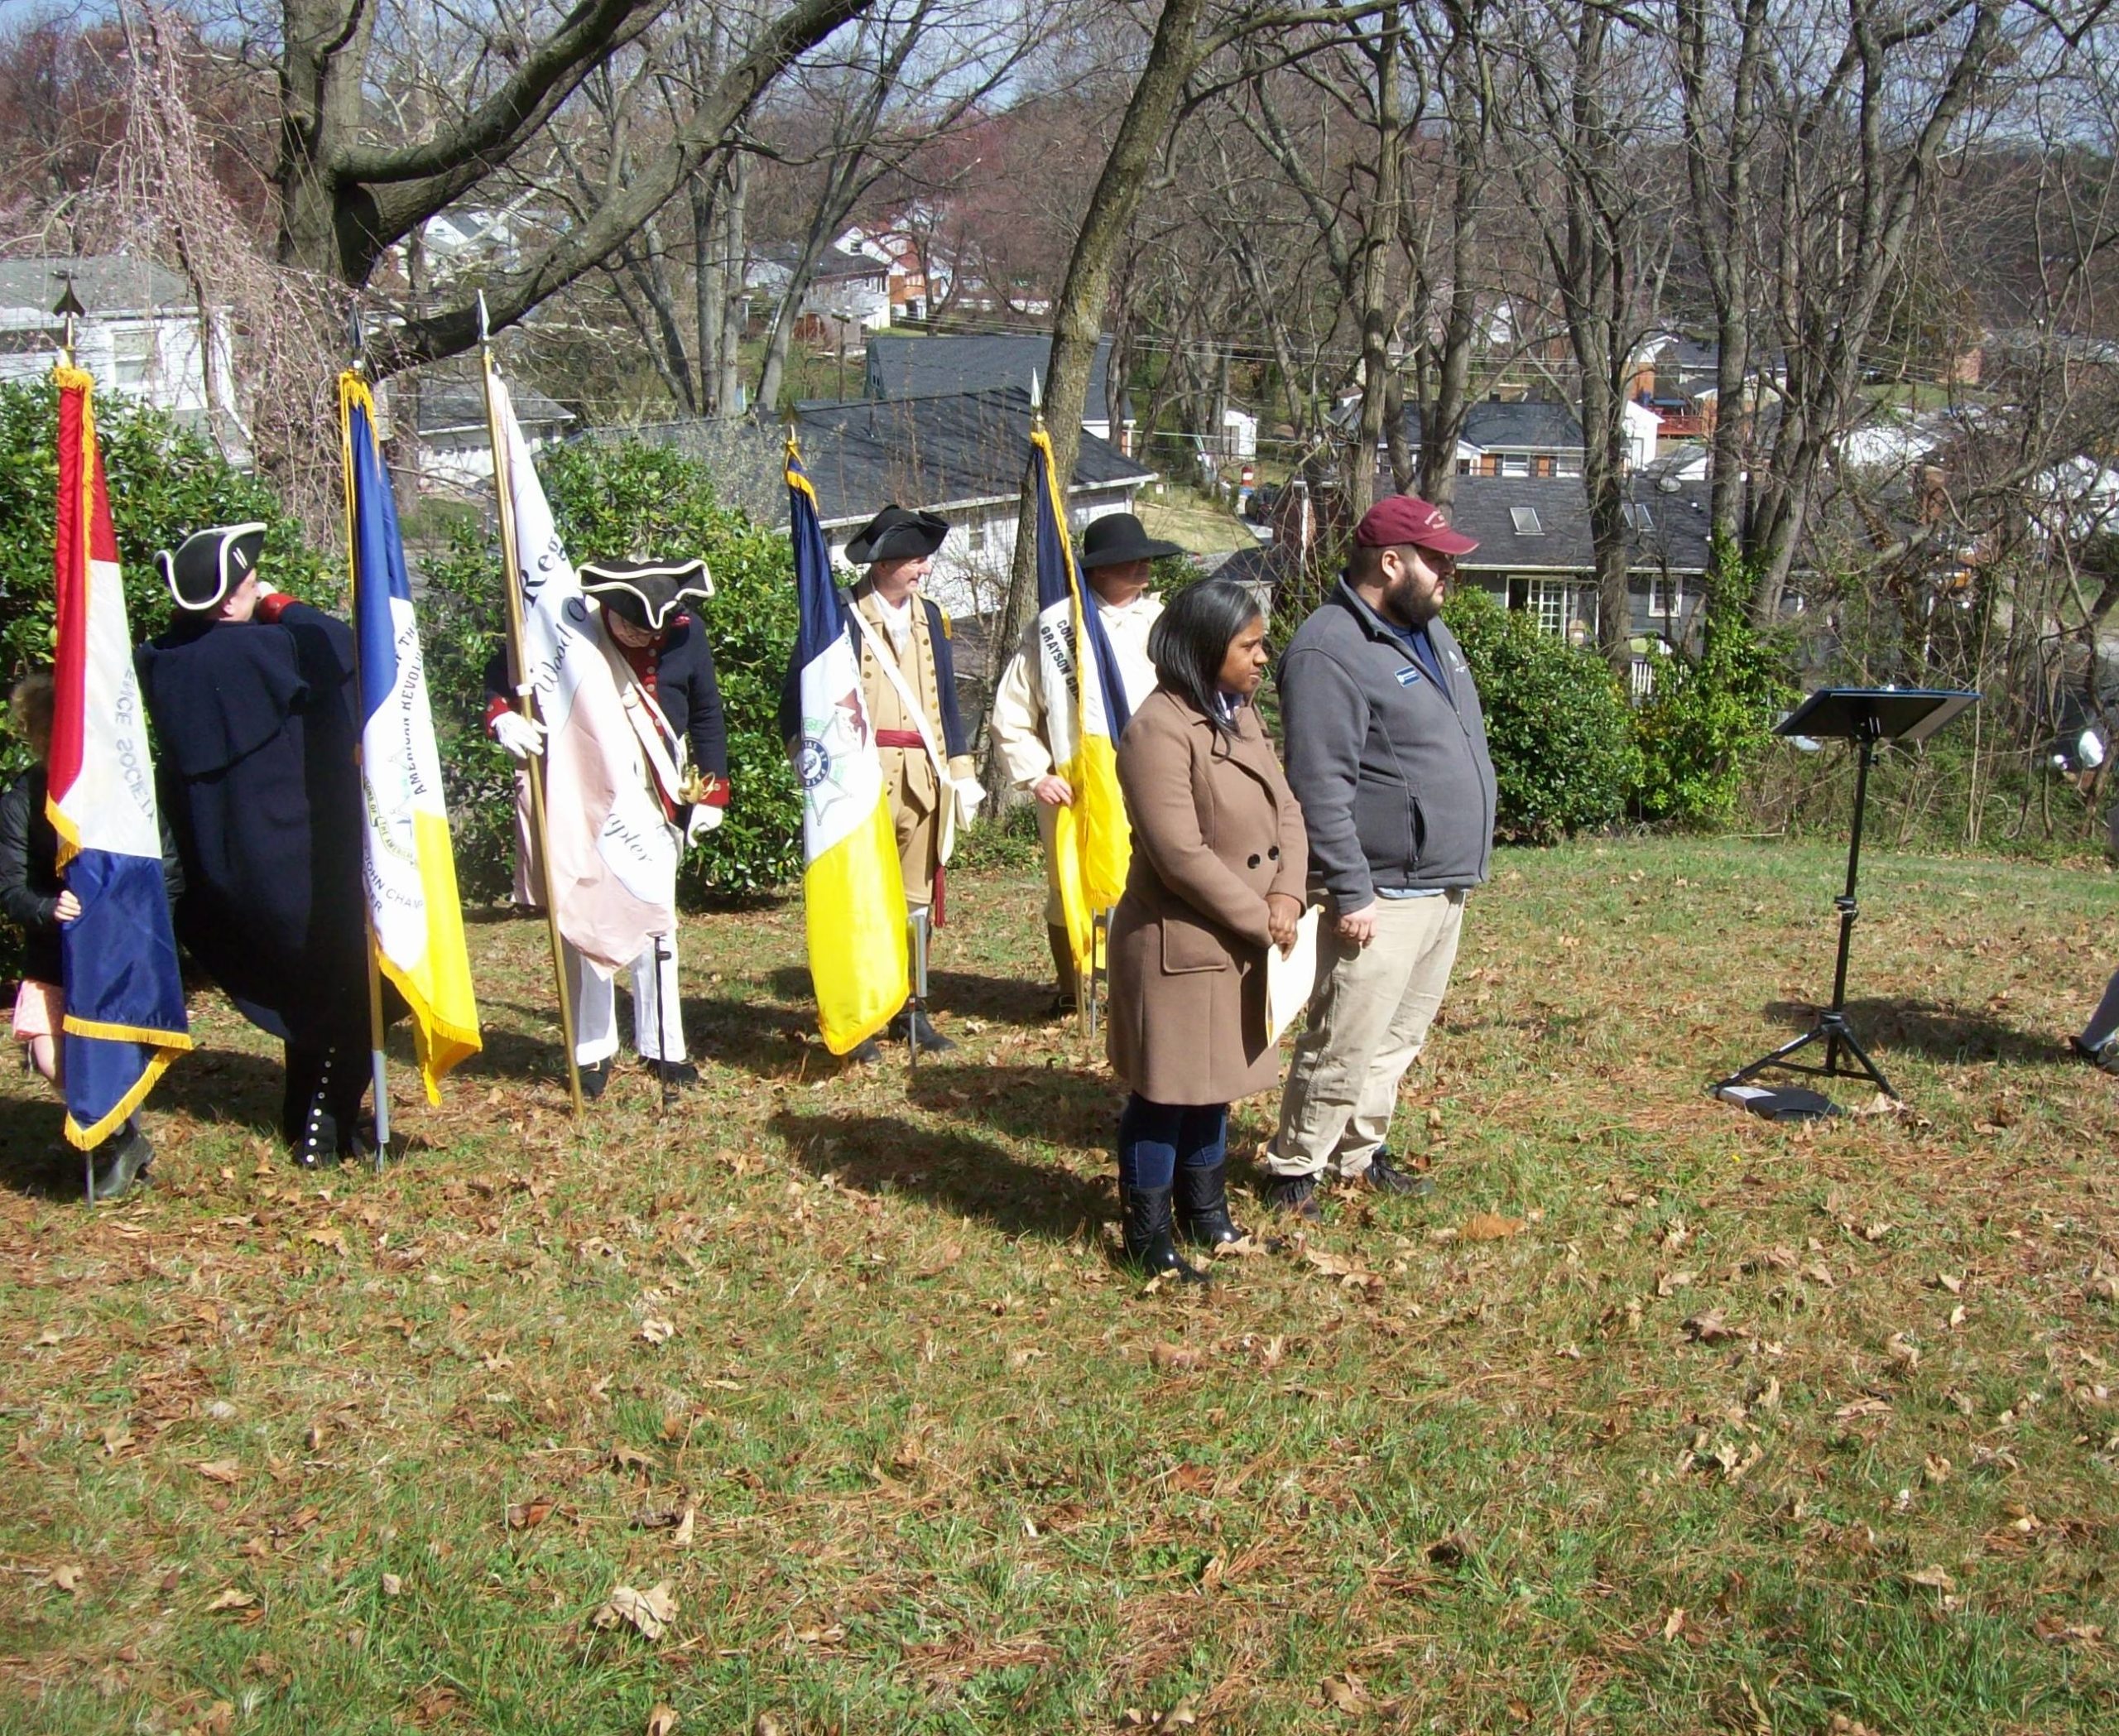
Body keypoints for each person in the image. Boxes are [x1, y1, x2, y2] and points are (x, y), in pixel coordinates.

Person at [1261, 494, 1497, 1219]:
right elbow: (1319, 784)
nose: (1449, 575)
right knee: (1344, 1036)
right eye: (1439, 561)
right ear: (1391, 562)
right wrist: (1353, 888)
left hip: (1440, 881)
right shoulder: (1328, 649)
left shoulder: (1428, 631)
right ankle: (1294, 1169)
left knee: (1398, 1036)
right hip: (1382, 889)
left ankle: (1359, 1153)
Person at [135, 522, 379, 1167]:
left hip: (228, 868)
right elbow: (349, 650)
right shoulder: (262, 649)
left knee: (308, 993)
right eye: (247, 580)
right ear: (231, 594)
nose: (253, 588)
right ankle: (323, 1130)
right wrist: (284, 602)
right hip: (298, 856)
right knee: (359, 986)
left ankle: (302, 1118)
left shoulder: (162, 656)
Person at [1104, 579, 1307, 1282]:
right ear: (1203, 647)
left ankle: (1207, 1211)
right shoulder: (1156, 729)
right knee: (1166, 1093)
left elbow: (1287, 808)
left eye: (1261, 644)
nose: (1261, 658)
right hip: (1178, 945)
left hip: (1240, 940)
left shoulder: (1240, 713)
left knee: (1215, 1084)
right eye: (1248, 645)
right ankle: (1147, 1235)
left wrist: (1288, 891)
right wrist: (1262, 917)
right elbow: (1180, 854)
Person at [485, 557, 730, 1098]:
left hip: (657, 789)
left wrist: (709, 794)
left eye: (655, 628)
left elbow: (705, 712)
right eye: (635, 627)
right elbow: (504, 672)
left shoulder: (687, 635)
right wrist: (502, 715)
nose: (647, 636)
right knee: (588, 916)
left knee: (658, 920)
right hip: (588, 790)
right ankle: (592, 1049)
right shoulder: (573, 626)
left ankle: (665, 1045)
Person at [783, 504, 981, 1058]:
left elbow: (945, 699)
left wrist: (960, 769)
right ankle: (867, 1012)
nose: (925, 570)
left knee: (915, 904)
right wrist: (809, 760)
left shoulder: (933, 616)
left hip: (923, 778)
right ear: (885, 561)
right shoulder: (839, 616)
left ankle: (912, 1008)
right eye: (917, 560)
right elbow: (795, 695)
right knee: (863, 901)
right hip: (860, 783)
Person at [2, 671, 182, 1200]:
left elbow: (164, 868)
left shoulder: (124, 796)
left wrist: (142, 924)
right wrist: (44, 907)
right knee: (47, 1057)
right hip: (52, 956)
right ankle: (124, 1137)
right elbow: (9, 887)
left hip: (117, 956)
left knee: (111, 1052)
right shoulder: (21, 799)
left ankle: (115, 1136)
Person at [990, 511, 1174, 1010]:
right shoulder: (1054, 628)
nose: (1140, 567)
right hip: (1076, 782)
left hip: (1156, 778)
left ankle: (1140, 983)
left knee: (1153, 877)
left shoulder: (1164, 623)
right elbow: (1011, 711)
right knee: (1067, 885)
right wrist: (1035, 775)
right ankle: (1075, 990)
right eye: (1126, 561)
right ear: (1096, 570)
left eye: (1143, 559)